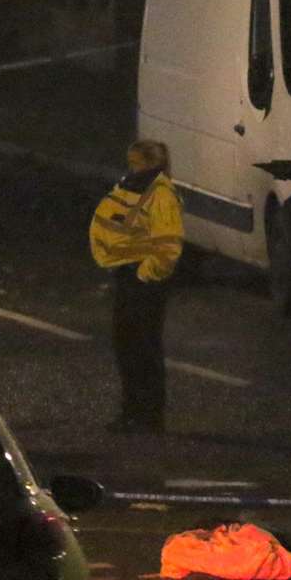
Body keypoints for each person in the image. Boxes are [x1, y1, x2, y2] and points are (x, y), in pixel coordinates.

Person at [89, 140, 183, 434]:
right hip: (128, 275)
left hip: (143, 280)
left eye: (136, 161)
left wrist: (145, 273)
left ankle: (147, 415)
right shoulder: (132, 185)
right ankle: (133, 411)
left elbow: (168, 245)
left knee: (142, 347)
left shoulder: (160, 194)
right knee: (127, 344)